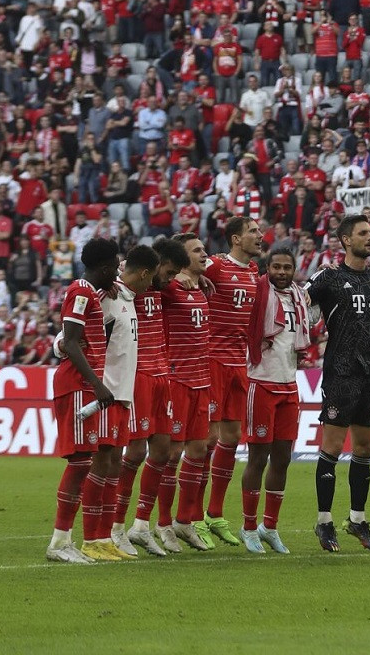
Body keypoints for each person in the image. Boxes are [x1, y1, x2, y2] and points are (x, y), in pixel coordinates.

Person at [308, 214, 370, 553]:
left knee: (364, 448)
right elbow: (297, 298)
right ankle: (324, 522)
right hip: (340, 372)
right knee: (333, 447)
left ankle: (357, 520)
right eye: (363, 233)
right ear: (346, 240)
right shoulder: (329, 277)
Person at [45, 238, 122, 564]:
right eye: (115, 268)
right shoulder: (79, 293)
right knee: (79, 463)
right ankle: (59, 542)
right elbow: (72, 343)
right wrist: (96, 384)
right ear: (104, 268)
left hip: (83, 385)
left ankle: (64, 540)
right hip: (77, 384)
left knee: (83, 463)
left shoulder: (90, 292)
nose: (117, 273)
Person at [83, 245, 160, 559]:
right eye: (151, 278)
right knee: (101, 464)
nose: (151, 284)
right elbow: (73, 336)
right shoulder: (109, 299)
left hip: (123, 396)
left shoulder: (128, 300)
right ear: (143, 274)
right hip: (106, 394)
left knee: (113, 466)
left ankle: (104, 539)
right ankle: (92, 539)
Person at [114, 239, 189, 557]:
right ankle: (115, 528)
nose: (171, 279)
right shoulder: (126, 287)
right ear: (153, 266)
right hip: (138, 377)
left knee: (162, 450)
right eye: (169, 272)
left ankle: (141, 526)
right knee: (134, 451)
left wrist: (196, 278)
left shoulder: (163, 288)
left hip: (163, 377)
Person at [238, 245, 311, 555]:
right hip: (261, 383)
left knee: (282, 458)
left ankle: (270, 526)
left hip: (289, 385)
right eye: (276, 267)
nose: (282, 272)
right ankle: (249, 527)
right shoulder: (257, 292)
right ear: (267, 269)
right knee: (257, 458)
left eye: (287, 267)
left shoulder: (299, 297)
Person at [201, 216, 263, 547]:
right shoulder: (213, 266)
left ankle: (214, 513)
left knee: (233, 437)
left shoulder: (254, 273)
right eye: (253, 231)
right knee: (206, 439)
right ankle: (191, 517)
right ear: (236, 239)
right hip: (211, 361)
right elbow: (183, 277)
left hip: (239, 364)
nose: (260, 235)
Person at [163, 235, 216, 552]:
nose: (204, 253)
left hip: (202, 382)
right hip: (177, 381)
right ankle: (163, 524)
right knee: (171, 455)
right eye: (196, 251)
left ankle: (184, 522)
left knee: (199, 450)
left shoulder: (202, 287)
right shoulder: (170, 289)